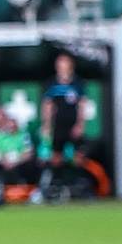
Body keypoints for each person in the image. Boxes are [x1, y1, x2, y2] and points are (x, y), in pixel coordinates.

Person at [40, 53, 87, 187]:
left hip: (73, 123)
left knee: (78, 155)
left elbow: (82, 104)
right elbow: (48, 105)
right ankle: (57, 182)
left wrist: (80, 124)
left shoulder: (77, 83)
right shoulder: (52, 84)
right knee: (56, 155)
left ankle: (80, 182)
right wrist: (47, 124)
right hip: (59, 124)